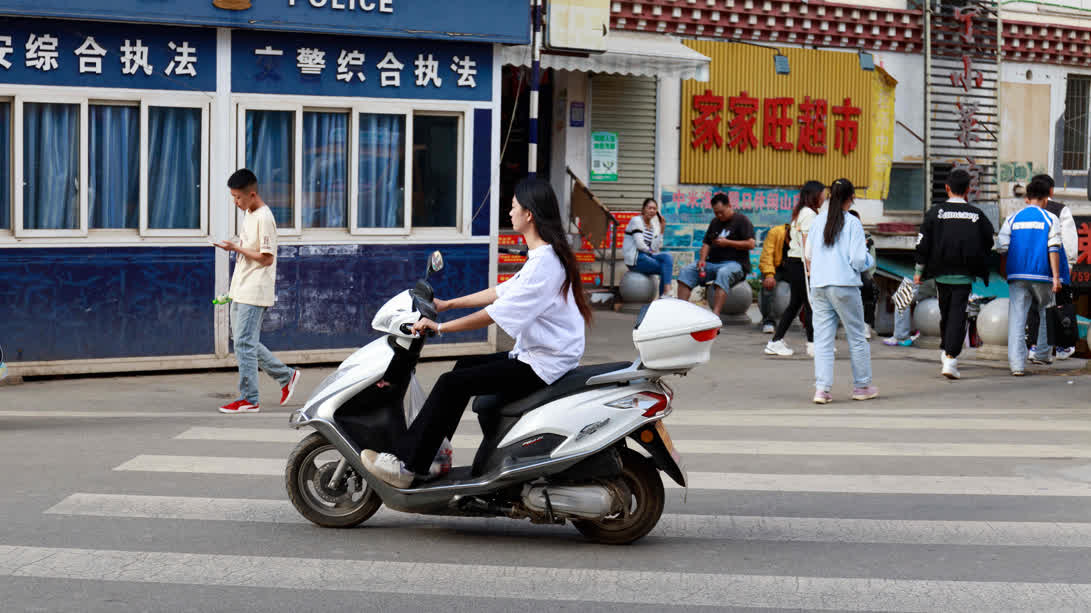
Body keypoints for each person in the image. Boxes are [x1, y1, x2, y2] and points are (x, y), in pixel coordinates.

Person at [360, 178, 591, 488]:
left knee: (450, 383)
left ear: (529, 214)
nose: (509, 213)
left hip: (544, 364)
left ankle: (407, 465)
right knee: (463, 368)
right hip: (538, 355)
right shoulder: (542, 257)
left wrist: (440, 327)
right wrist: (447, 304)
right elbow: (499, 292)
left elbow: (493, 314)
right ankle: (435, 454)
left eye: (513, 207)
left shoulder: (544, 264)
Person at [214, 169, 300, 414]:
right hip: (241, 286)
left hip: (255, 288)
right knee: (244, 341)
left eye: (238, 197)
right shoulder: (249, 214)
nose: (235, 202)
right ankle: (286, 376)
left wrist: (236, 249)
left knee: (244, 343)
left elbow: (266, 258)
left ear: (252, 194)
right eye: (233, 197)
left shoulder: (265, 218)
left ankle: (249, 398)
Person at [912, 168, 995, 380]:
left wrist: (919, 272)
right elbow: (989, 241)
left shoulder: (935, 213)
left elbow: (923, 243)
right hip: (964, 275)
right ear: (968, 190)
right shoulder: (977, 215)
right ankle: (950, 357)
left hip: (940, 274)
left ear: (947, 188)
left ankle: (947, 351)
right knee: (958, 315)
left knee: (947, 313)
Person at [805, 178, 877, 404]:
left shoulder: (818, 221)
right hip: (844, 284)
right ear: (851, 197)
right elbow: (858, 259)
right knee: (856, 336)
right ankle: (862, 386)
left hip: (819, 284)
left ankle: (822, 390)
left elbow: (808, 254)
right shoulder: (852, 223)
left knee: (823, 340)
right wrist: (869, 260)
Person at [996, 177, 1063, 376]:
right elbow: (1053, 248)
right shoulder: (1050, 218)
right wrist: (1056, 277)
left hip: (1017, 274)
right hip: (1042, 274)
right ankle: (1042, 353)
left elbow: (1002, 247)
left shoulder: (1013, 218)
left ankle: (1017, 365)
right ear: (1046, 198)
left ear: (1027, 197)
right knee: (1046, 310)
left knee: (1017, 318)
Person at [1024, 174, 1078, 361]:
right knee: (1059, 306)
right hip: (1057, 267)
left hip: (1032, 267)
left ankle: (1033, 346)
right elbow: (1069, 240)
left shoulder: (1025, 212)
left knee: (1035, 307)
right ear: (1051, 191)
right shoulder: (1061, 210)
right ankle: (1062, 346)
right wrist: (1070, 263)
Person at [766, 181, 823, 357]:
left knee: (796, 304)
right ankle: (813, 344)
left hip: (796, 262)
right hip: (801, 263)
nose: (824, 197)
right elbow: (807, 241)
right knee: (810, 304)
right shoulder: (809, 214)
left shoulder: (803, 212)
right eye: (823, 194)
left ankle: (776, 341)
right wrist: (810, 267)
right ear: (815, 195)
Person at [677, 193, 756, 317]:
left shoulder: (742, 220)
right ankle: (681, 312)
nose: (719, 215)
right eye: (716, 213)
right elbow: (706, 244)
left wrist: (728, 242)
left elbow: (751, 244)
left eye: (721, 212)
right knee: (687, 271)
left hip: (735, 264)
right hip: (712, 263)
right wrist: (702, 260)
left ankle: (715, 315)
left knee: (723, 273)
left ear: (729, 206)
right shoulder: (715, 222)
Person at [623, 198, 674, 298]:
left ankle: (666, 292)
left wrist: (662, 229)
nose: (652, 210)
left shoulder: (653, 226)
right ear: (643, 209)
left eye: (654, 209)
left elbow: (655, 247)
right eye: (649, 208)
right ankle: (664, 295)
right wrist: (651, 252)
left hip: (646, 255)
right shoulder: (636, 221)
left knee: (667, 256)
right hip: (636, 259)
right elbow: (640, 244)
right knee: (664, 267)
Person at [847, 209, 878, 338]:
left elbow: (871, 262)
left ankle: (866, 324)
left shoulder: (867, 239)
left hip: (862, 272)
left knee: (869, 290)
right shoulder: (840, 236)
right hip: (846, 273)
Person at [757, 222, 789, 333]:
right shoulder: (775, 232)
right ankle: (768, 321)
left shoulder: (804, 235)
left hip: (794, 268)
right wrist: (769, 275)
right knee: (768, 286)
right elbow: (767, 256)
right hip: (776, 268)